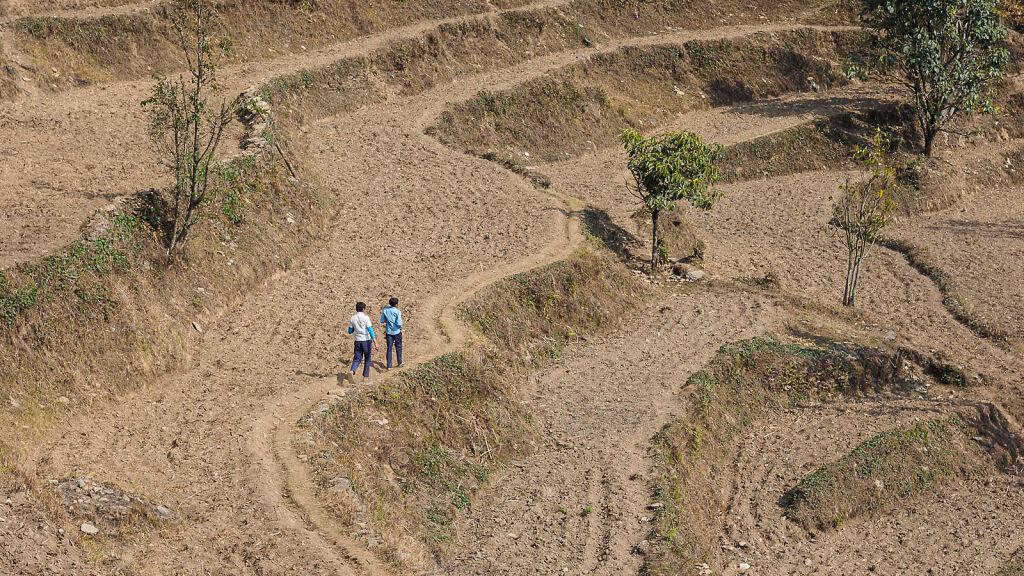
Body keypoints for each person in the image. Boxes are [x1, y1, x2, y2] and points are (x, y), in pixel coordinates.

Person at [348, 301, 378, 382]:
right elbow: (370, 330)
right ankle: (365, 377)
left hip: (357, 341)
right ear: (364, 309)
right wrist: (375, 341)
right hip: (366, 340)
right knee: (367, 358)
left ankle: (352, 371)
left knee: (357, 358)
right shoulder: (366, 318)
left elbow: (350, 331)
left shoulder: (352, 318)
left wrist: (356, 328)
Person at [380, 297, 404, 370]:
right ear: (396, 304)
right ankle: (399, 362)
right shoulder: (397, 311)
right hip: (396, 331)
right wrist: (400, 327)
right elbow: (399, 323)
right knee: (398, 347)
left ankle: (389, 366)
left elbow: (382, 320)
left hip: (388, 332)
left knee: (389, 348)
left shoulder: (385, 310)